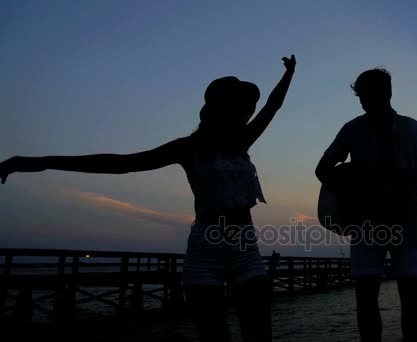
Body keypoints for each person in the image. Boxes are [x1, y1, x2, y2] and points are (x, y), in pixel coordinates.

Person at [0, 54, 297, 342]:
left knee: (259, 334)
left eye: (247, 109)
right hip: (205, 255)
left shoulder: (242, 140)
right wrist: (31, 162)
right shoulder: (188, 148)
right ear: (220, 109)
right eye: (240, 108)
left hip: (247, 251)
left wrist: (288, 73)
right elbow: (118, 164)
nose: (247, 114)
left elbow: (273, 106)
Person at [315, 68, 417, 342]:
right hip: (364, 223)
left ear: (388, 92)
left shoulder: (412, 128)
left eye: (369, 95)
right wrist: (355, 177)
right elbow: (323, 170)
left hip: (407, 221)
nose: (365, 101)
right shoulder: (352, 129)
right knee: (367, 298)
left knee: (410, 297)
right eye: (362, 96)